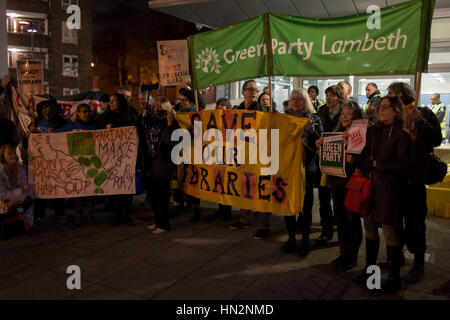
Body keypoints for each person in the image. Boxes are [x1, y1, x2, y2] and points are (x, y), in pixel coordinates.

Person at [387, 82, 442, 285]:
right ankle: (397, 256)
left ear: (402, 95)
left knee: (416, 224)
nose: (389, 98)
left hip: (415, 180)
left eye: (392, 95)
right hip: (394, 179)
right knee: (394, 221)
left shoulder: (424, 112)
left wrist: (421, 122)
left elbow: (437, 139)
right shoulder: (393, 115)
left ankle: (418, 263)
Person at [356, 96, 411, 293]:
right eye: (380, 107)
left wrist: (378, 165)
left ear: (396, 110)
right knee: (370, 230)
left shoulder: (402, 135)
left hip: (389, 191)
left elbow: (403, 166)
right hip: (370, 188)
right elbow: (362, 155)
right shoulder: (374, 131)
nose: (381, 109)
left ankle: (394, 278)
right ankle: (371, 273)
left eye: (385, 107)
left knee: (389, 232)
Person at [316, 100, 364, 269]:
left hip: (352, 184)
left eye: (348, 113)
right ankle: (343, 252)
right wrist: (321, 146)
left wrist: (349, 143)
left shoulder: (359, 132)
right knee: (341, 220)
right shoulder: (338, 131)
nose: (344, 116)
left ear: (357, 116)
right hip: (337, 183)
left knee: (352, 221)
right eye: (343, 113)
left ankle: (352, 255)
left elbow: (356, 158)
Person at [229, 80, 271, 240]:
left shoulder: (263, 111)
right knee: (245, 188)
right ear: (243, 92)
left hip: (259, 156)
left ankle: (264, 225)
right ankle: (245, 219)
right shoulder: (237, 111)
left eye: (256, 89)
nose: (254, 92)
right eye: (250, 89)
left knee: (262, 190)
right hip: (242, 156)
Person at [283, 89, 323, 256]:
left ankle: (305, 240)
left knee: (306, 206)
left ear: (306, 101)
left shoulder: (314, 118)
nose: (296, 102)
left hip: (308, 167)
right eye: (293, 99)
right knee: (288, 204)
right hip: (288, 168)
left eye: (300, 99)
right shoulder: (284, 118)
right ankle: (291, 237)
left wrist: (311, 130)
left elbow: (321, 143)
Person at [98, 93, 139, 226]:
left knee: (126, 186)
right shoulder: (105, 117)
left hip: (127, 157)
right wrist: (105, 129)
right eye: (110, 101)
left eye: (114, 101)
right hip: (112, 158)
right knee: (115, 187)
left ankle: (127, 215)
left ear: (121, 102)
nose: (111, 104)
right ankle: (117, 214)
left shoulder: (130, 115)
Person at [55, 104, 98, 226]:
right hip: (75, 164)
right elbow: (55, 135)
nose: (86, 114)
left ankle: (91, 216)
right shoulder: (71, 126)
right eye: (84, 112)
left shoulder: (94, 126)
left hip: (90, 163)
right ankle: (79, 216)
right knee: (77, 191)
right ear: (78, 113)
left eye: (88, 112)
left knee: (90, 190)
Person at [141, 96, 177, 234]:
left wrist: (169, 125)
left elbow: (170, 142)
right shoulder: (151, 120)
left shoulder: (170, 121)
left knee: (162, 197)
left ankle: (163, 224)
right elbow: (143, 135)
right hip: (151, 162)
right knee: (153, 196)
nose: (156, 108)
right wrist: (143, 119)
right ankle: (157, 221)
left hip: (163, 164)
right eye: (154, 105)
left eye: (159, 106)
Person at [315, 85, 345, 244]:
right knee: (323, 198)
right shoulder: (321, 112)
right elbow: (315, 132)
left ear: (339, 97)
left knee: (340, 201)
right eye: (327, 95)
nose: (328, 98)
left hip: (341, 163)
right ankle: (326, 231)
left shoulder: (346, 113)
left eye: (332, 95)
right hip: (323, 161)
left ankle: (342, 233)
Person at [29, 100, 67, 224]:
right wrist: (30, 134)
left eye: (51, 107)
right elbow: (27, 142)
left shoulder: (62, 123)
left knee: (58, 188)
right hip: (40, 162)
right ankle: (39, 214)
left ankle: (60, 214)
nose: (48, 110)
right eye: (45, 106)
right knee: (41, 188)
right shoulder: (35, 122)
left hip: (57, 161)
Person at [174, 87, 202, 223]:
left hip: (192, 150)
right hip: (179, 150)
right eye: (181, 100)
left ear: (192, 102)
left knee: (192, 176)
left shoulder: (197, 114)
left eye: (185, 100)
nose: (182, 103)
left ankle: (196, 207)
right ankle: (178, 203)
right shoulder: (177, 112)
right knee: (179, 177)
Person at [0, 144, 34, 229]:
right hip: (8, 206)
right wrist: (20, 190)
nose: (13, 155)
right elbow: (2, 194)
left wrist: (15, 198)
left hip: (20, 207)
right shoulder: (1, 173)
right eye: (9, 153)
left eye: (14, 153)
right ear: (3, 156)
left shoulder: (22, 169)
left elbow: (28, 191)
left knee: (20, 208)